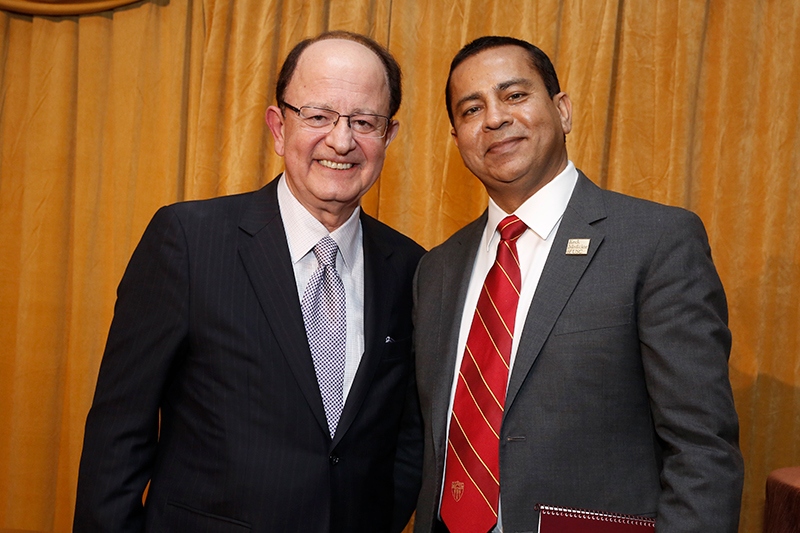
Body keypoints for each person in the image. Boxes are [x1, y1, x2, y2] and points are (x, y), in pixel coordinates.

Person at [74, 31, 424, 533]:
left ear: (387, 137)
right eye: (318, 116)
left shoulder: (410, 267)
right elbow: (118, 433)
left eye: (363, 122)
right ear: (279, 127)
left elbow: (407, 439)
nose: (341, 141)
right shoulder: (189, 242)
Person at [412, 36, 744, 533]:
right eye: (471, 108)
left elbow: (701, 448)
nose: (495, 118)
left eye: (515, 95)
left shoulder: (656, 242)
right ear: (457, 137)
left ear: (562, 110)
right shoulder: (436, 270)